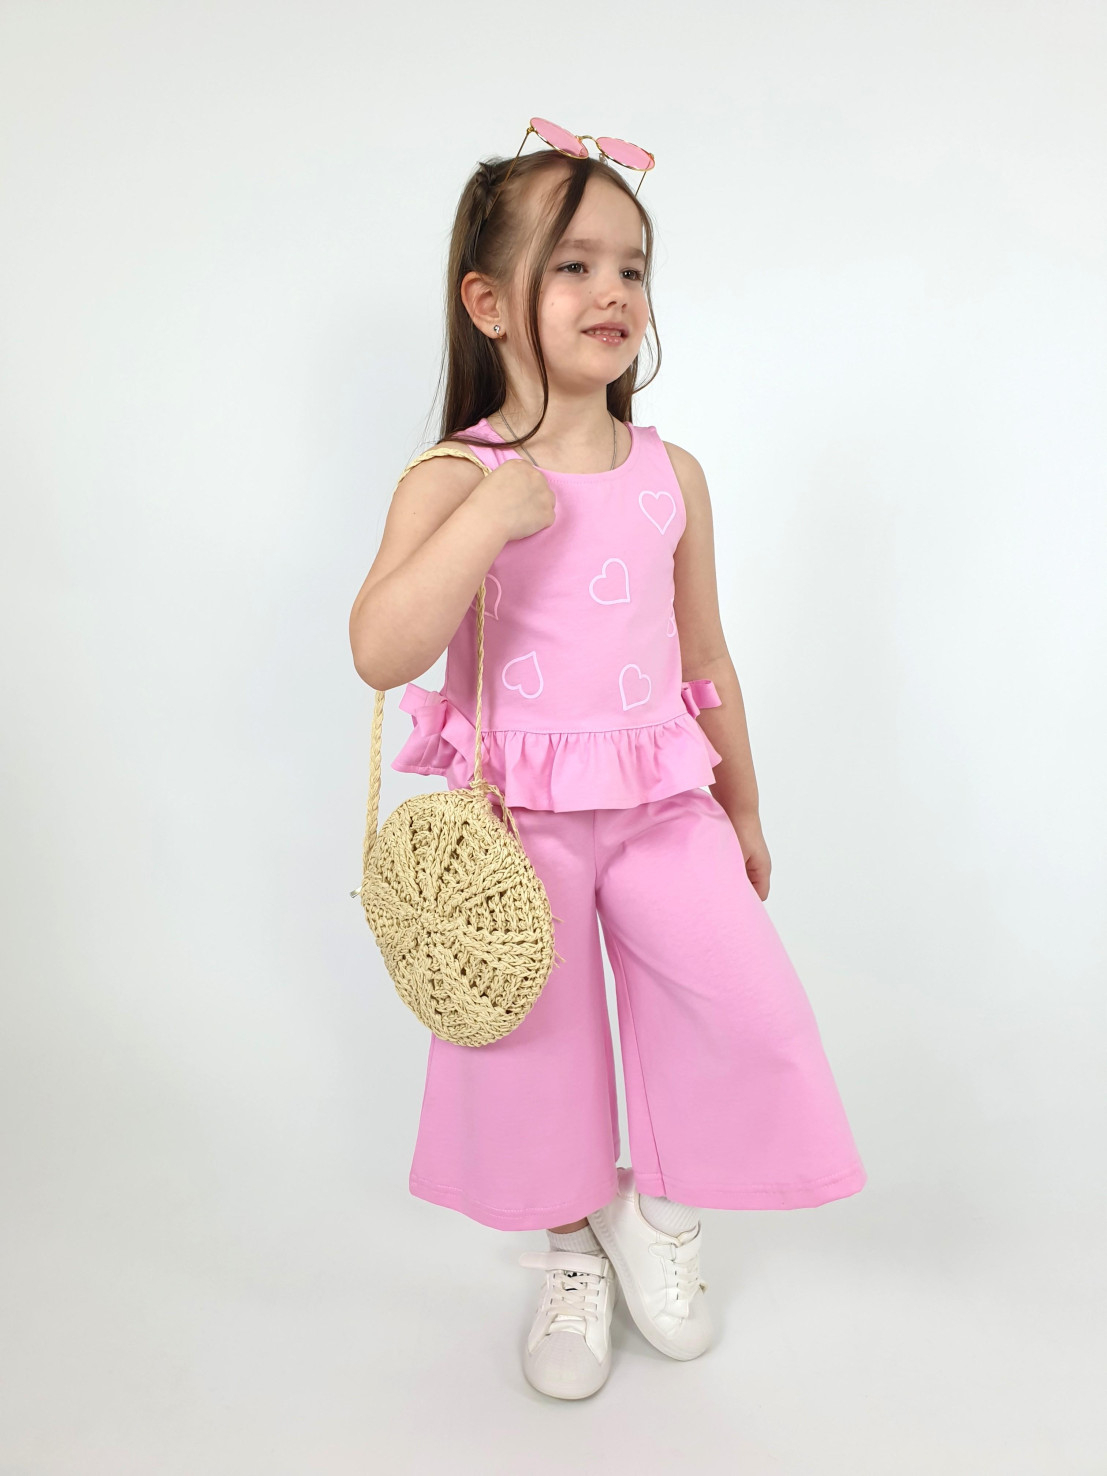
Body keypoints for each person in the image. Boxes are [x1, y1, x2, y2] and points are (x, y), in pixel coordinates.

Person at [348, 126, 867, 1402]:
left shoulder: (669, 474)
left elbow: (708, 657)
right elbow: (379, 648)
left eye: (631, 267)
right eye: (573, 265)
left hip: (660, 806)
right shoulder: (454, 477)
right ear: (490, 304)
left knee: (749, 1009)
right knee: (532, 1044)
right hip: (515, 819)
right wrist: (488, 516)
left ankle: (654, 1218)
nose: (612, 292)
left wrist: (745, 805)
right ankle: (571, 1250)